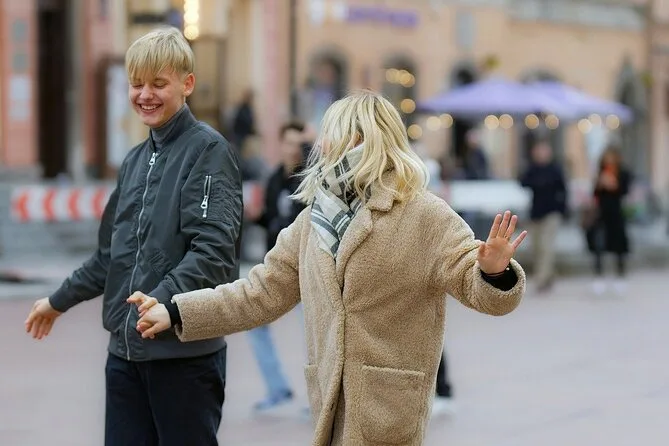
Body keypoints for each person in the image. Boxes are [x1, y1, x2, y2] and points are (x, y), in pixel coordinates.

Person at [129, 90, 528, 446]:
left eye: (329, 133)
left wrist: (494, 272)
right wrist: (176, 311)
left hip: (389, 413)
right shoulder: (312, 220)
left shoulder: (424, 214)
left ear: (359, 139)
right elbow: (258, 294)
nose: (319, 144)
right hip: (329, 408)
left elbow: (480, 289)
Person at [24, 27, 243, 446]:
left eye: (158, 83)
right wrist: (57, 301)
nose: (145, 94)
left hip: (183, 359)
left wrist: (163, 300)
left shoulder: (208, 152)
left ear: (187, 84)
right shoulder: (135, 161)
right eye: (137, 83)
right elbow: (110, 257)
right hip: (124, 358)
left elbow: (214, 254)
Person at [247, 121, 309, 413]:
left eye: (299, 144)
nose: (293, 149)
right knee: (255, 324)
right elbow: (273, 220)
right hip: (276, 269)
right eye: (289, 142)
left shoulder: (310, 179)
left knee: (314, 333)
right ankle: (277, 388)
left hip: (305, 269)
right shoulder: (273, 179)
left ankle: (320, 398)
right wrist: (256, 217)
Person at [520, 141, 568, 293]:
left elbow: (563, 189)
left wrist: (562, 209)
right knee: (536, 247)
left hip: (551, 213)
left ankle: (541, 279)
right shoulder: (532, 169)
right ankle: (549, 275)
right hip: (536, 213)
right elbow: (522, 182)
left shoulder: (555, 169)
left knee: (546, 246)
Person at [587, 146, 632, 294]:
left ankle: (620, 275)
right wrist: (601, 184)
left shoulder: (623, 173)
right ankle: (598, 276)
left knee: (619, 246)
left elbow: (624, 190)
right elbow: (594, 193)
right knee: (598, 245)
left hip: (617, 214)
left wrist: (613, 185)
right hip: (601, 214)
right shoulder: (600, 173)